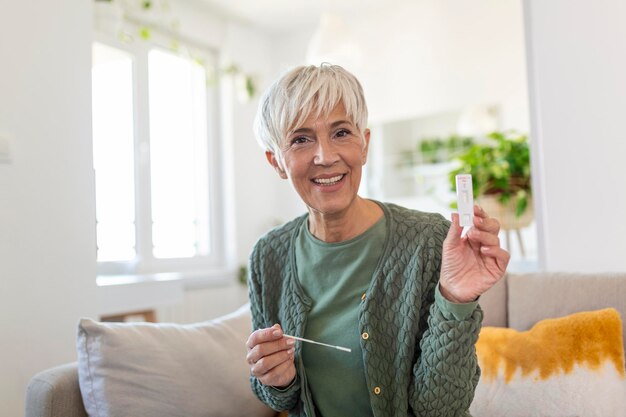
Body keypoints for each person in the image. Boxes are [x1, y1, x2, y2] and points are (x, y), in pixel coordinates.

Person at [245, 63, 509, 417]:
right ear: (276, 162)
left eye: (341, 133)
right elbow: (279, 398)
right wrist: (277, 379)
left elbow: (440, 409)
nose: (325, 156)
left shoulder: (428, 241)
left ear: (364, 144)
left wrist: (456, 299)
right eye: (301, 139)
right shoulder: (268, 257)